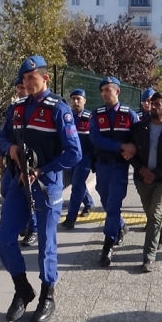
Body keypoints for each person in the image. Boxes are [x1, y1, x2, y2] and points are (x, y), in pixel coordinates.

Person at [0, 55, 81, 322]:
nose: (27, 83)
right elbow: (2, 135)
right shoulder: (17, 108)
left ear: (45, 78)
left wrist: (42, 169)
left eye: (32, 78)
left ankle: (47, 294)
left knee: (46, 244)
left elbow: (74, 153)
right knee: (4, 238)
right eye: (24, 79)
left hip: (46, 185)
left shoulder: (59, 109)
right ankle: (23, 289)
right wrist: (8, 148)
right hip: (18, 183)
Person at [128, 92, 162, 272]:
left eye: (157, 104)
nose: (153, 106)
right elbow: (130, 153)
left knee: (155, 212)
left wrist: (155, 173)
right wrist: (142, 170)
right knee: (151, 215)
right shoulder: (139, 128)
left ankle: (148, 257)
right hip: (142, 178)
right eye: (152, 103)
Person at [89, 76, 139, 267]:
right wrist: (121, 145)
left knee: (113, 206)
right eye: (102, 90)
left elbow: (137, 139)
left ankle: (107, 246)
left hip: (119, 167)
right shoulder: (96, 114)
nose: (104, 94)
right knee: (105, 201)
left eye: (108, 90)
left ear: (117, 91)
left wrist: (131, 150)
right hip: (101, 166)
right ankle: (121, 226)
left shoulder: (129, 114)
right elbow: (96, 139)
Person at [0, 77, 38, 246]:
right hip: (13, 162)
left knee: (31, 196)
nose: (21, 90)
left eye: (23, 87)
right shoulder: (14, 109)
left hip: (30, 165)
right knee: (6, 191)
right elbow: (5, 135)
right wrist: (3, 153)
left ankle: (33, 229)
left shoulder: (36, 109)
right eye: (18, 88)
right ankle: (20, 222)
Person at [61, 88, 95, 229]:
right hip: (70, 157)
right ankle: (89, 203)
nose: (75, 102)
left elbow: (94, 140)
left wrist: (94, 160)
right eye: (73, 99)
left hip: (84, 158)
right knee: (78, 184)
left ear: (84, 101)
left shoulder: (89, 118)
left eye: (78, 99)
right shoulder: (67, 116)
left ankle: (71, 218)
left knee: (76, 186)